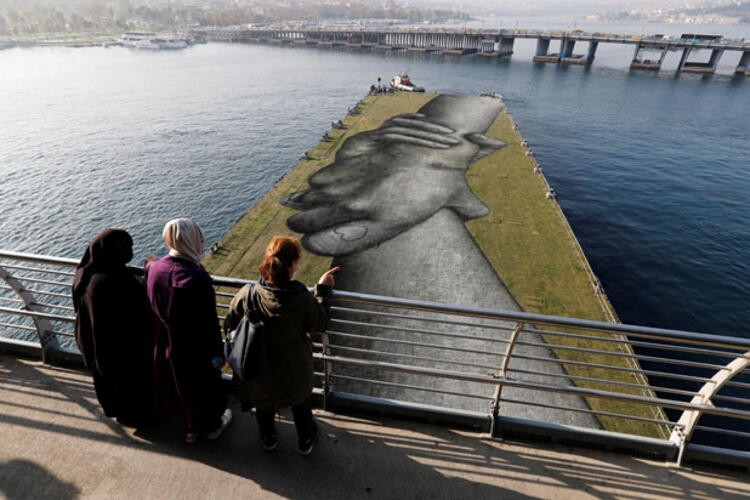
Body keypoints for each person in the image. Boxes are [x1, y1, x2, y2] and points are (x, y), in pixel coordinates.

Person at [224, 236, 338, 455]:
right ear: (293, 264)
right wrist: (323, 291)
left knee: (264, 407)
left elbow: (230, 324)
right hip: (295, 372)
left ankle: (268, 439)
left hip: (259, 372)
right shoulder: (302, 299)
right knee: (301, 406)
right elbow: (321, 323)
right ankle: (305, 441)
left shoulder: (248, 294)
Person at [145, 218, 232, 443]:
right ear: (193, 240)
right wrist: (218, 354)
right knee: (204, 387)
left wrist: (150, 263)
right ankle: (211, 426)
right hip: (195, 349)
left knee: (177, 387)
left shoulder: (156, 269)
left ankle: (190, 429)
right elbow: (209, 323)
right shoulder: (196, 277)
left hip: (164, 343)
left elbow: (155, 270)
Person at [72, 228, 155, 426]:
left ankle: (120, 413)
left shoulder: (84, 274)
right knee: (131, 383)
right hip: (119, 347)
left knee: (109, 384)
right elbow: (141, 310)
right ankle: (142, 418)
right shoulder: (116, 280)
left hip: (93, 341)